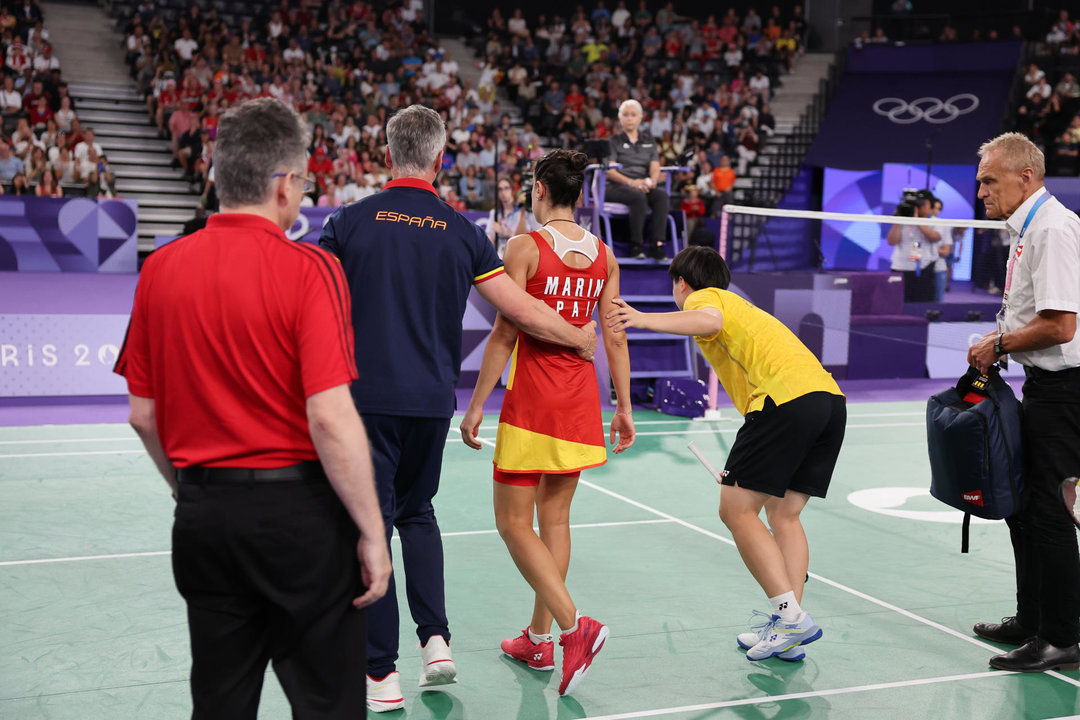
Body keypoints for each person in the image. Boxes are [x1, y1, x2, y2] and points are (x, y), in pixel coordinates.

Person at [112, 98, 391, 718]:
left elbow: (143, 415)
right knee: (327, 704)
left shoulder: (160, 269)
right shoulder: (311, 269)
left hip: (206, 520)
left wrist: (190, 491)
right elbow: (330, 417)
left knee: (220, 702)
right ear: (287, 184)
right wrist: (372, 531)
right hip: (302, 522)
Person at [318, 104, 598, 713]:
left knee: (370, 529)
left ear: (386, 153)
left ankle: (381, 676)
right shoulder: (461, 231)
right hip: (428, 404)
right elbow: (518, 310)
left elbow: (308, 301)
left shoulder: (347, 222)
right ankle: (437, 643)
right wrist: (578, 337)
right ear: (441, 160)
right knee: (418, 515)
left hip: (363, 402)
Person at [606, 246, 846, 663]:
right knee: (784, 514)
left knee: (735, 511)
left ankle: (789, 618)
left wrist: (643, 318)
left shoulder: (707, 298)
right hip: (828, 402)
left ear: (681, 282)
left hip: (784, 401)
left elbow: (706, 318)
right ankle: (790, 625)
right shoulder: (741, 306)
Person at [460, 149, 634, 696]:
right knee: (553, 521)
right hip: (582, 401)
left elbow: (506, 332)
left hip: (534, 401)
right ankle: (536, 640)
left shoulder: (523, 248)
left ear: (538, 190)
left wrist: (475, 401)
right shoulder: (605, 255)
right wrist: (624, 406)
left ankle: (571, 626)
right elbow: (614, 334)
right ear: (579, 196)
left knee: (514, 524)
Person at [967, 132, 1080, 673]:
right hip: (1043, 388)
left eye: (989, 178)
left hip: (1066, 392)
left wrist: (999, 343)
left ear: (1025, 177)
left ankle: (1062, 636)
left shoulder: (1053, 229)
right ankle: (1032, 618)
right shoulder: (1027, 228)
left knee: (1049, 511)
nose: (980, 188)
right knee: (1024, 509)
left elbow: (1060, 325)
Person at [605, 99, 671, 260]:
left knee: (661, 195)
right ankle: (637, 245)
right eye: (625, 115)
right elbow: (610, 171)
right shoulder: (613, 141)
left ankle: (657, 245)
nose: (629, 118)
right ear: (620, 119)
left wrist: (652, 181)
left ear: (640, 118)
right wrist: (632, 183)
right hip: (616, 186)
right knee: (638, 196)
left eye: (633, 115)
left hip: (642, 183)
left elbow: (655, 167)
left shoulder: (649, 141)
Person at [886, 191, 940, 302]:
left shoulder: (934, 221)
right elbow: (892, 241)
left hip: (921, 269)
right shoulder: (902, 220)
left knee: (921, 304)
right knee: (897, 303)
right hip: (899, 268)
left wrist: (916, 221)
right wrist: (897, 220)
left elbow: (935, 237)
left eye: (919, 206)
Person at [927, 195, 954, 302]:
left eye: (939, 209)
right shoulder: (920, 223)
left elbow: (946, 251)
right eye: (934, 208)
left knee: (938, 300)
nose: (936, 211)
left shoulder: (943, 225)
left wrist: (929, 250)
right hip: (922, 269)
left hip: (939, 269)